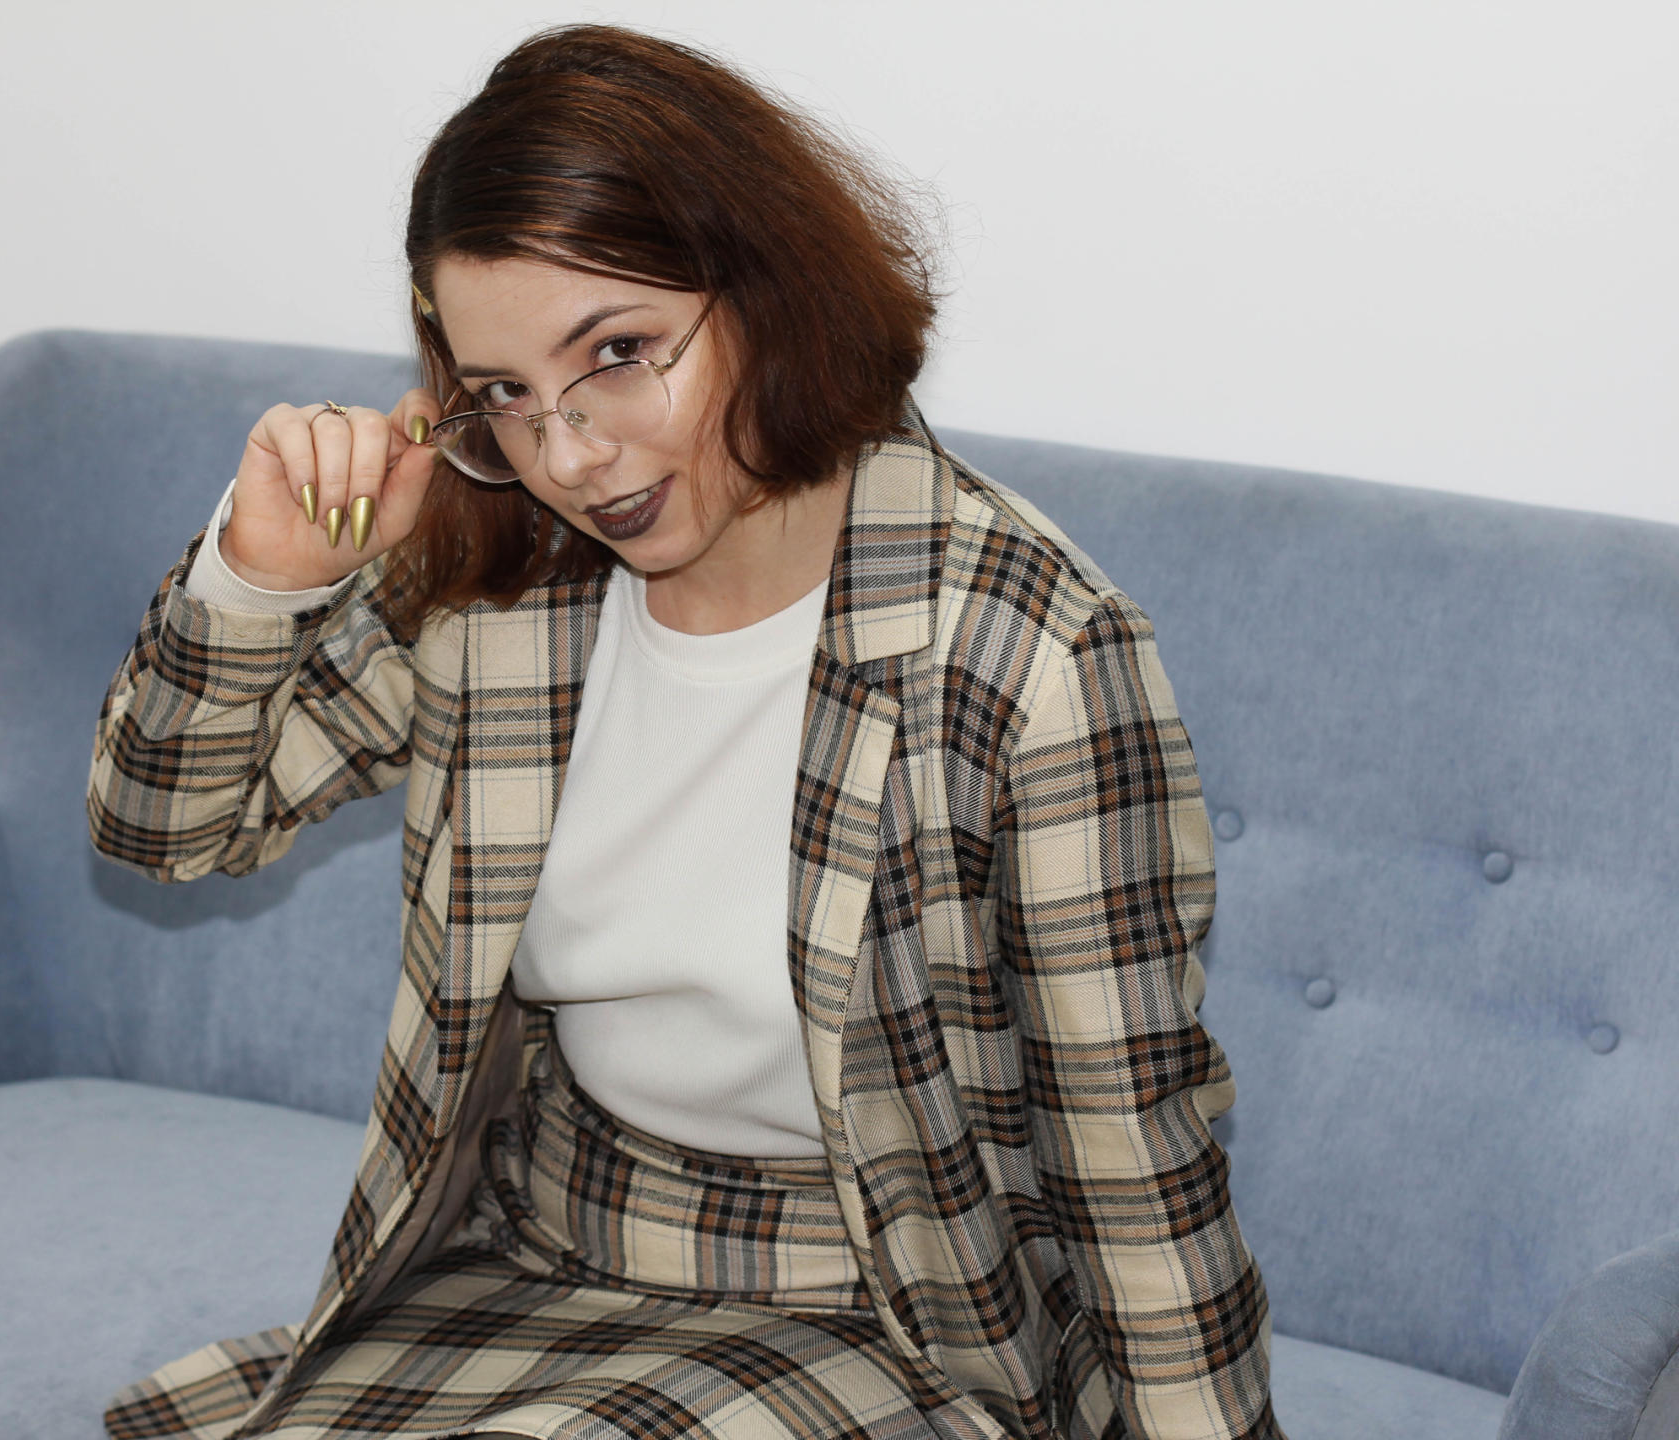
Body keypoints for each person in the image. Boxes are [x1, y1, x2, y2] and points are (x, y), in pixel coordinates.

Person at [87, 23, 1283, 1440]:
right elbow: (165, 828)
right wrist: (262, 578)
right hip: (541, 1258)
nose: (571, 453)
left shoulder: (1025, 651)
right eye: (505, 396)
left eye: (619, 352)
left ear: (769, 286)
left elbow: (1131, 1162)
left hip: (885, 1318)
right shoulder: (509, 592)